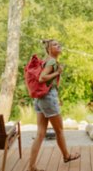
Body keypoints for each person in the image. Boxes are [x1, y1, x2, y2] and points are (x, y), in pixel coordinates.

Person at [28, 39, 80, 171]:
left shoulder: (46, 61)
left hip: (40, 99)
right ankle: (66, 155)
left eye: (59, 44)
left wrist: (57, 96)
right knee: (59, 130)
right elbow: (42, 78)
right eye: (55, 45)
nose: (59, 46)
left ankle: (32, 166)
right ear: (49, 49)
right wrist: (58, 72)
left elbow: (49, 83)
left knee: (40, 133)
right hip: (47, 99)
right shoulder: (51, 61)